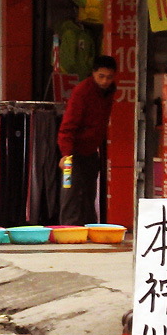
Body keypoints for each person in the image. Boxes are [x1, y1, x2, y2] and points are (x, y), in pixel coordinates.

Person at [57, 55, 117, 226]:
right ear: (93, 74)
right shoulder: (82, 92)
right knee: (69, 194)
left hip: (91, 152)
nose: (105, 81)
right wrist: (65, 155)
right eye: (101, 76)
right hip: (71, 153)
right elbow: (67, 126)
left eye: (109, 77)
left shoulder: (109, 91)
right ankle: (68, 230)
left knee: (89, 195)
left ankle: (89, 229)